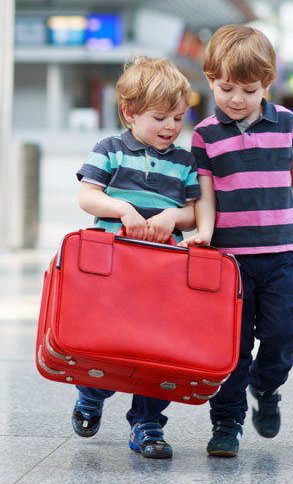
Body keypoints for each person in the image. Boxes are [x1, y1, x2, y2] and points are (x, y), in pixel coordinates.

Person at [182, 25, 293, 458]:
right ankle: (226, 424)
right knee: (232, 348)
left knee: (285, 330)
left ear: (268, 82)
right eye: (226, 88)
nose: (237, 99)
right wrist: (202, 235)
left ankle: (267, 385)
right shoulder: (205, 134)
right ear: (209, 80)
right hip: (229, 260)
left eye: (249, 88)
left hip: (280, 252)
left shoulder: (285, 123)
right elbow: (204, 190)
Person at [73, 56, 201, 459]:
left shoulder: (183, 162)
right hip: (113, 271)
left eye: (178, 118)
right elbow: (86, 195)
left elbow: (196, 210)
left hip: (163, 273)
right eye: (160, 117)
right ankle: (92, 393)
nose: (170, 127)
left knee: (158, 351)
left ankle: (147, 423)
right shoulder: (109, 149)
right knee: (108, 343)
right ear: (129, 113)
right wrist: (123, 209)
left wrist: (172, 216)